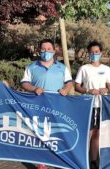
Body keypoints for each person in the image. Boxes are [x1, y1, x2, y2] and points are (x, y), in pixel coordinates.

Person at [21, 39, 73, 169]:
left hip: (58, 106)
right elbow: (24, 83)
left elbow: (69, 82)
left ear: (54, 50)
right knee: (41, 133)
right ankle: (41, 163)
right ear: (39, 51)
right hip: (38, 105)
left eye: (49, 49)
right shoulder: (31, 67)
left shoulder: (62, 67)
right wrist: (33, 89)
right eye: (43, 49)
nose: (46, 51)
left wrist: (66, 89)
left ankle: (60, 159)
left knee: (57, 132)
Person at [75, 41, 110, 169]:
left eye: (97, 52)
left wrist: (106, 90)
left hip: (102, 105)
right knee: (87, 133)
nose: (94, 54)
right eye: (92, 52)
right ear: (88, 54)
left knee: (97, 133)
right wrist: (88, 90)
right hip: (88, 105)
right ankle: (82, 159)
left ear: (101, 53)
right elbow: (77, 87)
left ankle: (93, 161)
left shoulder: (106, 69)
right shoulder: (84, 68)